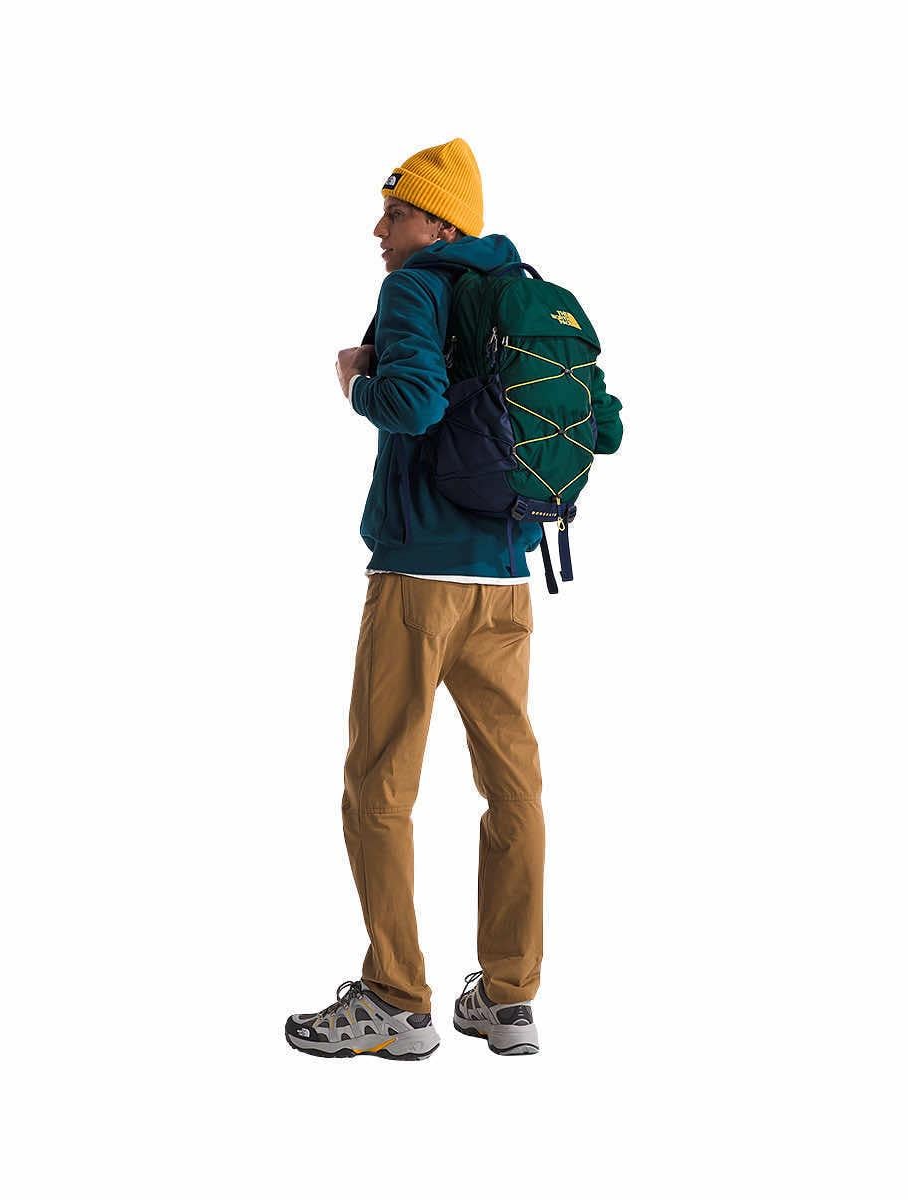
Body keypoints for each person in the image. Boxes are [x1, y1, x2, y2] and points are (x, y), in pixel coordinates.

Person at [284, 138, 623, 1059]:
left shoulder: (415, 289)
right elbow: (606, 426)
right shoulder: (525, 295)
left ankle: (397, 1001)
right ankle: (509, 1001)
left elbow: (414, 406)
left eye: (395, 213)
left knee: (379, 785)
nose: (379, 229)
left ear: (439, 225)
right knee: (513, 786)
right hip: (507, 581)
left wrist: (357, 379)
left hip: (417, 582)